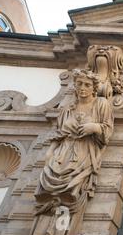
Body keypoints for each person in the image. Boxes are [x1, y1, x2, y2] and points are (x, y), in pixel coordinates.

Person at [35, 69, 114, 216]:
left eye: (87, 85)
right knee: (49, 192)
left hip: (85, 151)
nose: (83, 88)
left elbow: (108, 130)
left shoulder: (101, 104)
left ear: (94, 88)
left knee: (72, 192)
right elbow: (59, 133)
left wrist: (95, 127)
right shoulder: (67, 109)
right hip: (62, 154)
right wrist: (50, 151)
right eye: (79, 84)